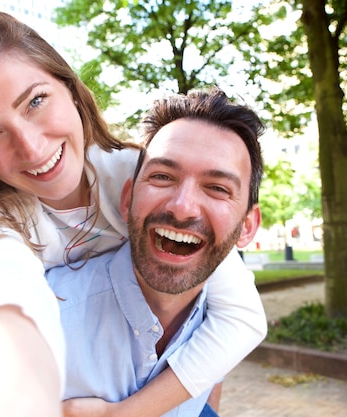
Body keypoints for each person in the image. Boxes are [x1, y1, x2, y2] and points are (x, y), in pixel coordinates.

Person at [0, 10, 267, 417]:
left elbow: (241, 317)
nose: (30, 147)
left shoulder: (147, 182)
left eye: (35, 101)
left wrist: (135, 413)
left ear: (71, 89)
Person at [47, 87, 264, 417]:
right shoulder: (42, 315)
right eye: (162, 176)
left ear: (247, 227)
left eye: (217, 188)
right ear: (126, 199)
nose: (182, 208)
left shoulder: (218, 324)